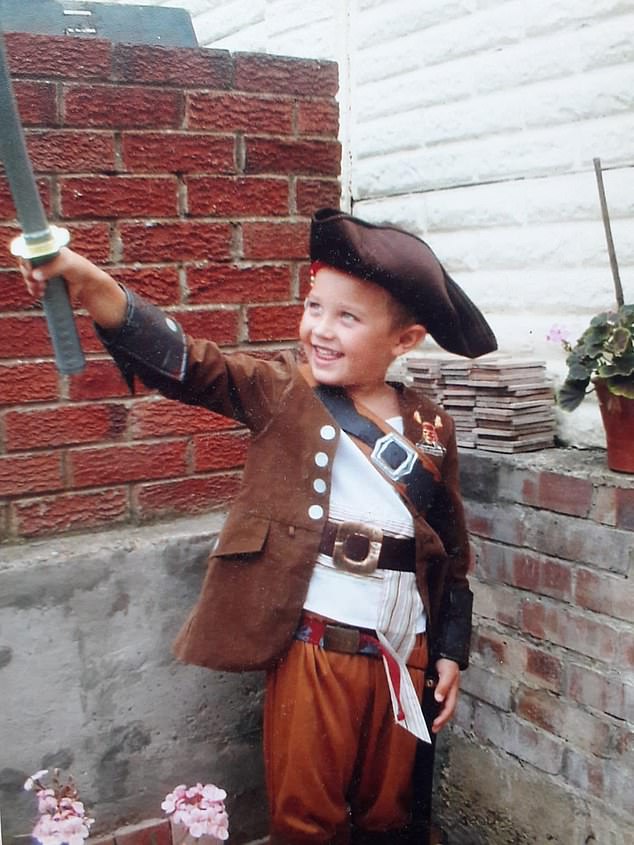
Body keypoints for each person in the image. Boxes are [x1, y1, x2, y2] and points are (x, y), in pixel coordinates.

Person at [19, 208, 497, 845]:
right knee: (306, 820)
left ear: (404, 341)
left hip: (403, 653)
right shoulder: (280, 391)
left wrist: (448, 650)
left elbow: (452, 550)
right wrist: (82, 277)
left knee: (394, 816)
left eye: (347, 318)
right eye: (313, 307)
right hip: (315, 649)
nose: (320, 331)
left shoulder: (432, 425)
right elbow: (188, 363)